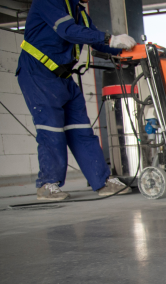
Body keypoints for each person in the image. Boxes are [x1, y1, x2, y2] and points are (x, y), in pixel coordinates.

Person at [16, 0, 138, 200]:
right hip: (38, 73)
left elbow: (96, 41)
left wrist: (129, 50)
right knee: (51, 129)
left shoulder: (77, 9)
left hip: (63, 77)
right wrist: (110, 39)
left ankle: (103, 181)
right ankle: (48, 184)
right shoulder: (49, 1)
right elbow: (67, 30)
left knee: (82, 130)